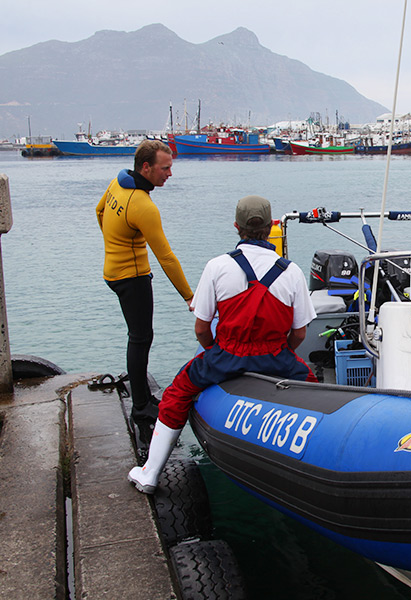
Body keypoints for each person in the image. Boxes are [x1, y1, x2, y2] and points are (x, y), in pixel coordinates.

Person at [128, 195, 318, 494]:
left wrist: (217, 352)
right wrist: (282, 353)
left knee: (177, 393)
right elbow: (300, 333)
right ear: (271, 228)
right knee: (314, 387)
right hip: (277, 356)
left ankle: (150, 473)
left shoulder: (217, 267)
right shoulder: (291, 271)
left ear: (236, 227)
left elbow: (202, 328)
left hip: (226, 354)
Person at [96, 140, 194, 446]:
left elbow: (99, 211)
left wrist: (117, 244)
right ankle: (141, 408)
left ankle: (141, 398)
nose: (170, 174)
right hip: (133, 277)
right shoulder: (143, 206)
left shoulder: (117, 183)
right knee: (140, 338)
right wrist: (189, 296)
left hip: (113, 270)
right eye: (165, 168)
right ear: (146, 167)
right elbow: (166, 257)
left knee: (138, 337)